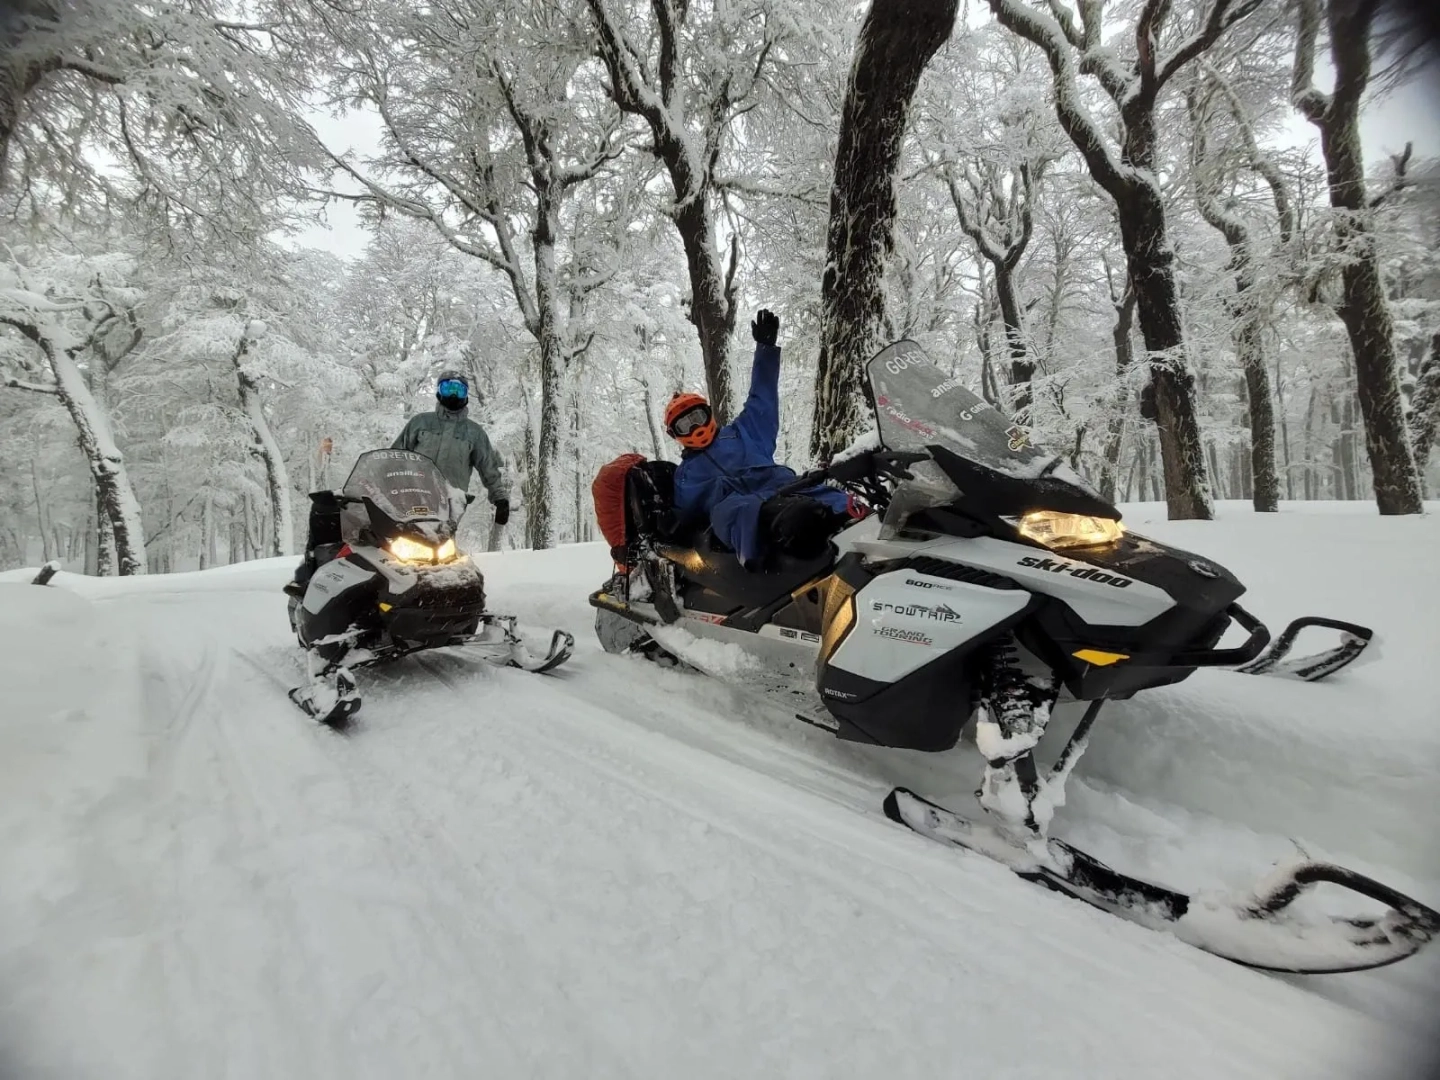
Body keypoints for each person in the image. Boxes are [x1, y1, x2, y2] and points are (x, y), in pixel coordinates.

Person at [285, 370, 510, 595]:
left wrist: (500, 498)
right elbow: (393, 456)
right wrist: (370, 483)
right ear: (438, 391)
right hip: (408, 496)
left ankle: (442, 596)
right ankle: (387, 593)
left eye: (458, 389)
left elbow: (488, 468)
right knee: (395, 548)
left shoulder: (474, 433)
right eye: (447, 388)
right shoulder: (420, 423)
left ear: (466, 394)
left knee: (441, 552)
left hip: (447, 505)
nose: (453, 394)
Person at [667, 309, 860, 568]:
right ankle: (788, 532)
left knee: (817, 489)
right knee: (729, 511)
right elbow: (688, 516)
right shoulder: (685, 476)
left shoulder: (742, 431)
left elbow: (762, 398)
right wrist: (671, 525)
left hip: (781, 486)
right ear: (675, 434)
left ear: (709, 413)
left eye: (697, 417)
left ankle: (852, 515)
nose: (695, 428)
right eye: (684, 425)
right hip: (739, 511)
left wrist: (765, 350)